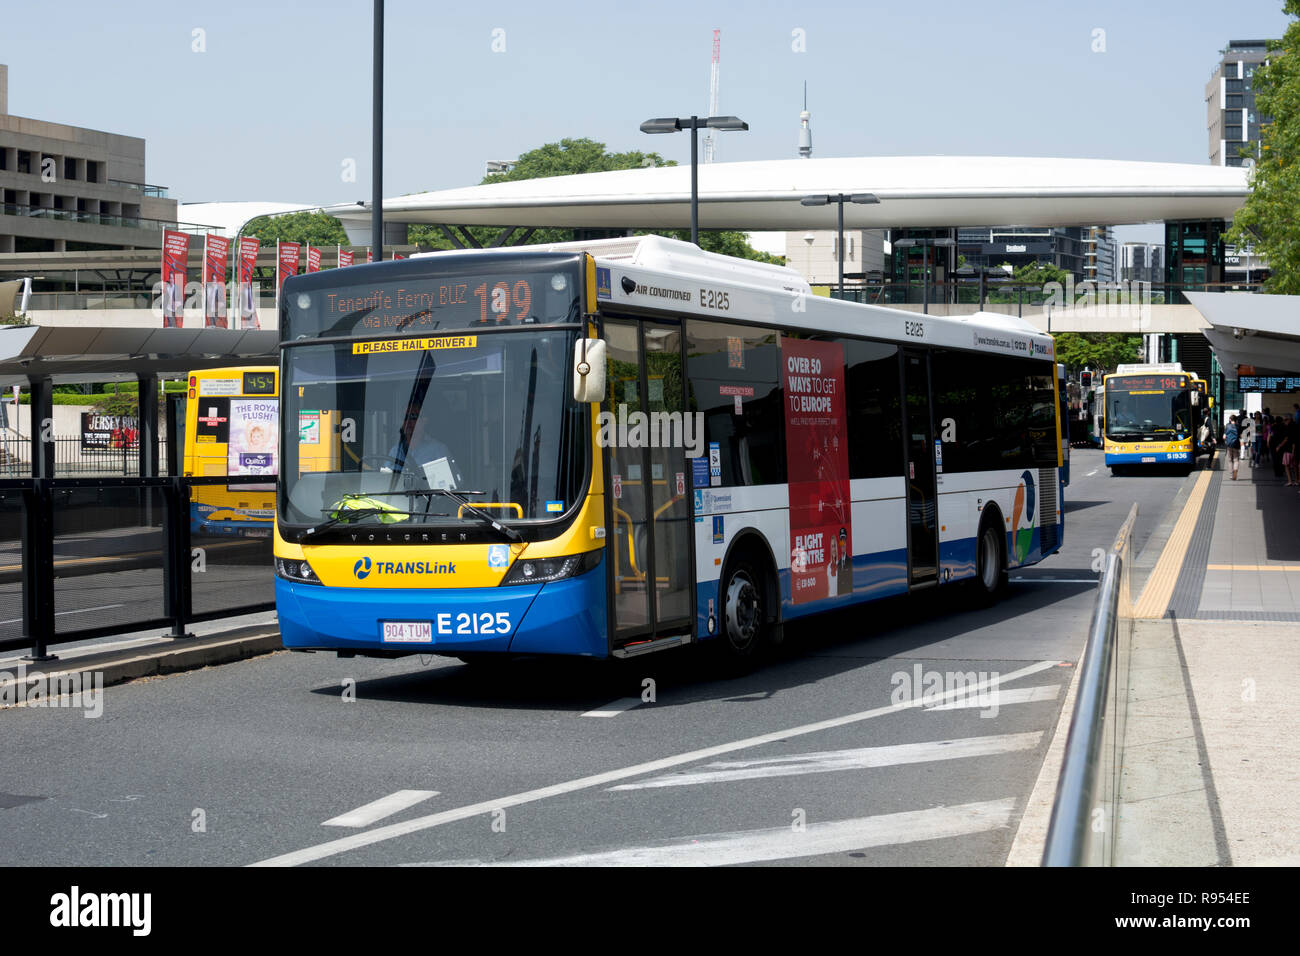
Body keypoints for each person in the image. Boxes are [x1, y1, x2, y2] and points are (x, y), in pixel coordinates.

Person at [389, 405, 451, 475]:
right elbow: (384, 478)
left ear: (424, 420)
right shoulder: (395, 450)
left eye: (412, 417)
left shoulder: (439, 449)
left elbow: (450, 482)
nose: (408, 422)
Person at [1224, 415, 1241, 480]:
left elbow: (1224, 437)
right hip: (1236, 444)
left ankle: (1231, 475)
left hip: (1229, 445)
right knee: (1236, 459)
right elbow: (1240, 435)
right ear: (1236, 420)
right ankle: (1235, 472)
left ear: (1230, 419)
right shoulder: (1238, 426)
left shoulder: (1227, 426)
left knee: (1230, 460)